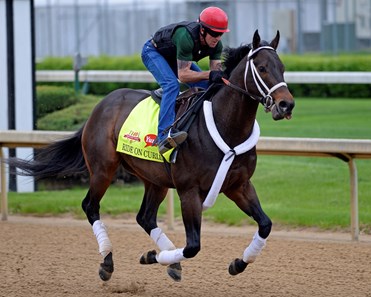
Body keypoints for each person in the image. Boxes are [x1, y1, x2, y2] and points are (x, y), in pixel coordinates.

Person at [141, 6, 229, 154]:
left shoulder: (216, 45)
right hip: (153, 52)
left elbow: (215, 74)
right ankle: (164, 135)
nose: (217, 38)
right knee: (171, 85)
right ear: (202, 30)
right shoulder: (186, 37)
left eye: (221, 34)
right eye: (214, 33)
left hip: (174, 56)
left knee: (209, 86)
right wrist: (210, 74)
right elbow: (183, 75)